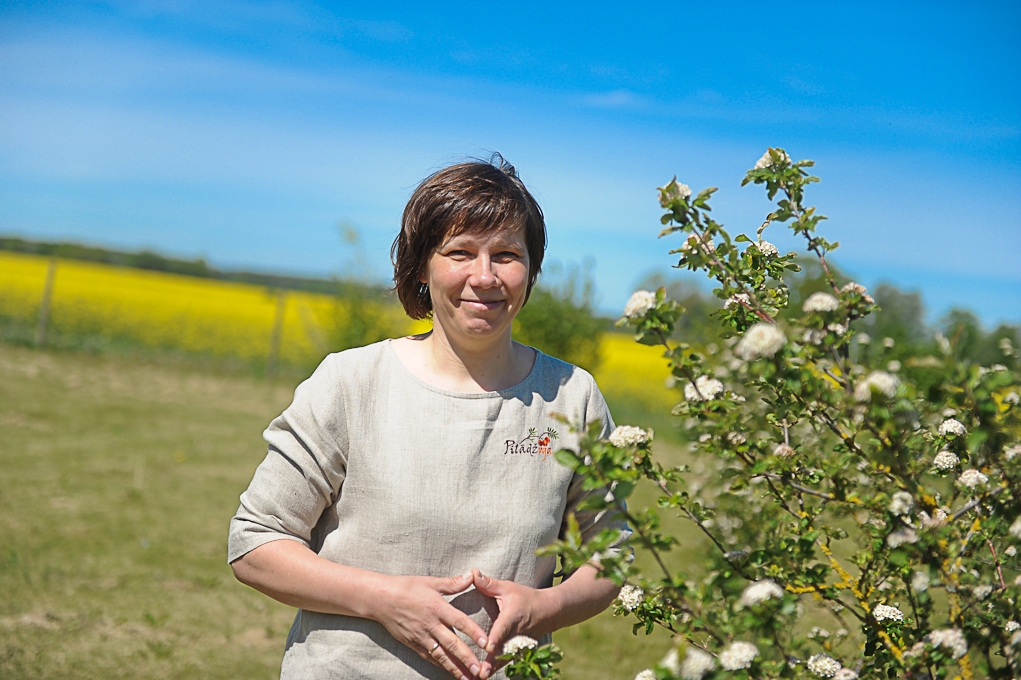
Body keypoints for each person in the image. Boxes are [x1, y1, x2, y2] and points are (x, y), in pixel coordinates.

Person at [228, 156, 629, 680]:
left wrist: (543, 607)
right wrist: (385, 599)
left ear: (531, 269)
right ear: (422, 266)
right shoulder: (351, 382)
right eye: (459, 252)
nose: (483, 277)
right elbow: (256, 544)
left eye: (506, 255)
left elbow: (613, 556)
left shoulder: (572, 397)